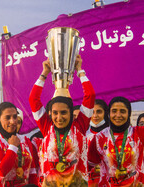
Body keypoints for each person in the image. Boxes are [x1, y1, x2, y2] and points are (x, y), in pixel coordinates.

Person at [29, 55, 96, 186]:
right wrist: (44, 73)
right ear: (50, 114)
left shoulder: (80, 126)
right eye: (55, 113)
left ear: (71, 113)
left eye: (64, 112)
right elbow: (33, 99)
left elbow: (90, 95)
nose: (59, 118)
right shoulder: (47, 127)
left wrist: (79, 70)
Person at [0, 102, 38, 187]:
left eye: (15, 117)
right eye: (7, 118)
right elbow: (1, 171)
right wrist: (12, 147)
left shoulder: (25, 140)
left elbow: (32, 171)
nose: (12, 121)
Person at [86, 99, 109, 187]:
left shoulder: (112, 136)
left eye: (99, 112)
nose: (95, 116)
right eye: (92, 112)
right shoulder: (83, 136)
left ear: (105, 113)